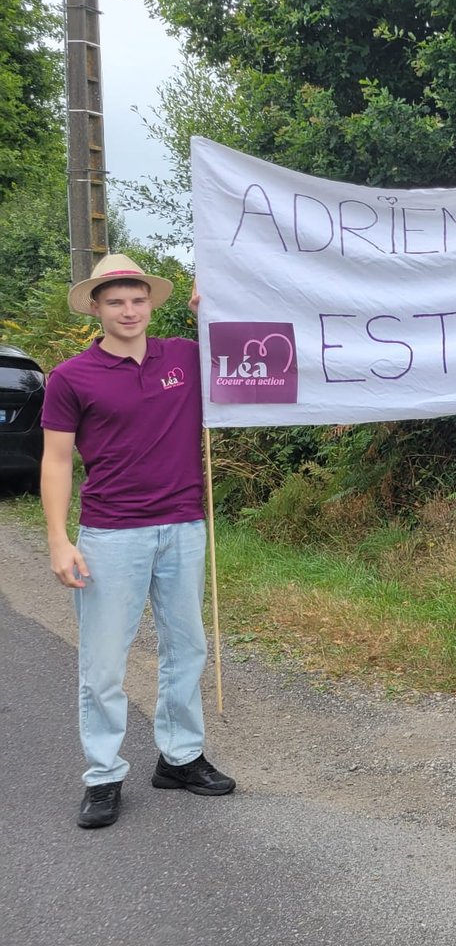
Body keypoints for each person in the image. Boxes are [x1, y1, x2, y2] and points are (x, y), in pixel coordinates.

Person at [42, 254, 236, 829]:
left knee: (187, 649)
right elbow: (56, 461)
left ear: (151, 303)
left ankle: (180, 758)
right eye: (116, 301)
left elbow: (251, 360)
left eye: (137, 299)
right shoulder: (71, 377)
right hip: (110, 534)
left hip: (184, 526)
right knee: (103, 663)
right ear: (96, 308)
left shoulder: (185, 356)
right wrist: (58, 539)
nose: (129, 310)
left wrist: (213, 313)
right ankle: (103, 775)